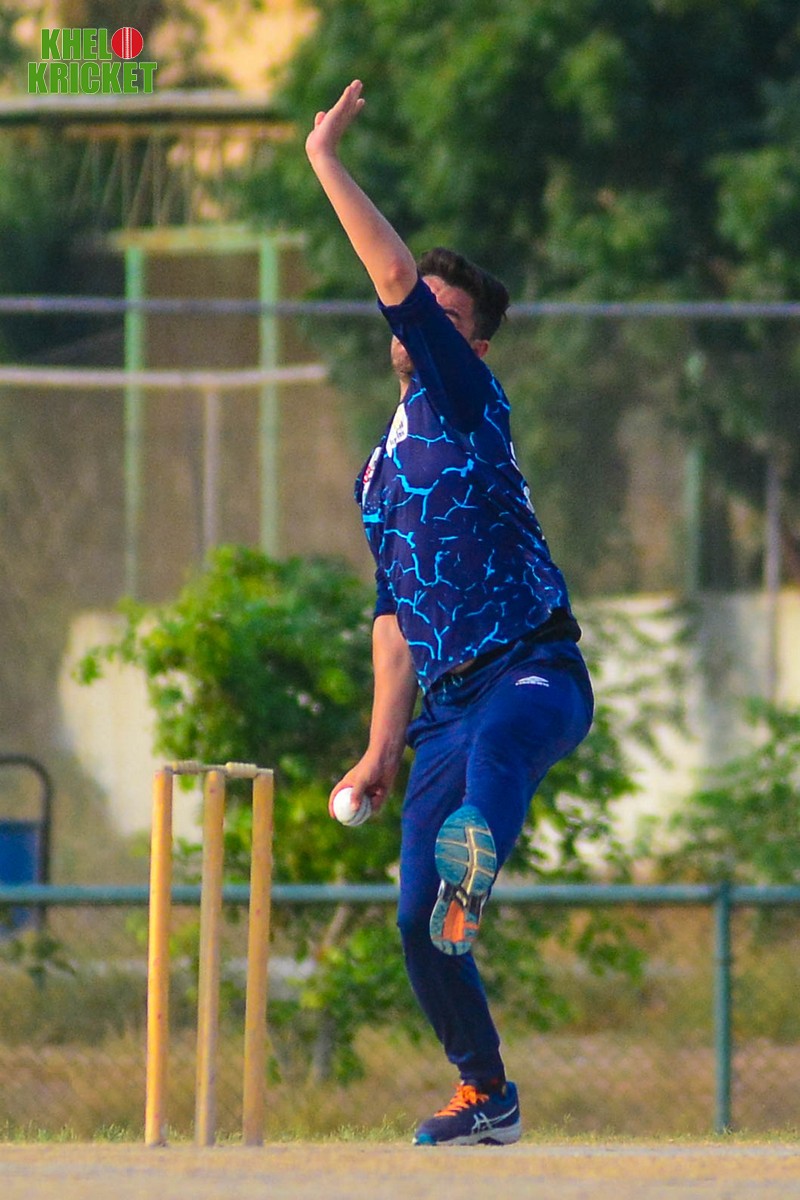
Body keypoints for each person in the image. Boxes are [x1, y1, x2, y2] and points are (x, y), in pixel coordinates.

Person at [308, 80, 594, 1147]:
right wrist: (380, 748)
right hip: (442, 709)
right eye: (422, 311)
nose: (421, 319)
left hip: (534, 671)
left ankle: (477, 863)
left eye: (443, 315)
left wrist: (326, 159)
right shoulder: (377, 476)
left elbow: (392, 279)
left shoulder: (465, 401)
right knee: (413, 923)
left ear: (468, 344)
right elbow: (395, 622)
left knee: (501, 752)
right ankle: (487, 1094)